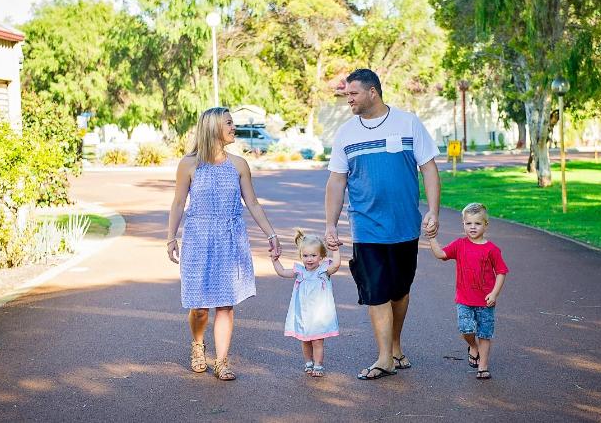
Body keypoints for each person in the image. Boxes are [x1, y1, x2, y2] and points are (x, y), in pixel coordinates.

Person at [324, 68, 441, 380]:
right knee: (376, 290)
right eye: (346, 94)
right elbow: (337, 181)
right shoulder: (346, 133)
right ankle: (384, 357)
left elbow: (429, 169)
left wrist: (433, 211)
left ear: (372, 92)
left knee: (400, 290)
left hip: (405, 225)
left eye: (353, 93)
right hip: (366, 225)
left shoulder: (408, 122)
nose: (348, 99)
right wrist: (331, 225)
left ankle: (395, 346)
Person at [167, 107, 281, 381]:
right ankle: (198, 346)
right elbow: (179, 203)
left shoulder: (239, 164)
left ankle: (221, 361)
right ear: (213, 128)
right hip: (198, 238)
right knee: (200, 305)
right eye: (229, 123)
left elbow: (251, 202)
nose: (234, 127)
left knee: (226, 304)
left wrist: (271, 234)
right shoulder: (189, 164)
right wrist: (171, 237)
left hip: (230, 239)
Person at [427, 203, 509, 380]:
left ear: (486, 225)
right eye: (469, 223)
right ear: (463, 224)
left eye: (477, 223)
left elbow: (501, 272)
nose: (473, 227)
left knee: (485, 334)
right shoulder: (459, 244)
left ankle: (483, 366)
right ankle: (473, 347)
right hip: (464, 299)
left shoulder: (492, 249)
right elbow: (441, 254)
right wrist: (432, 237)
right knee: (466, 329)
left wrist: (494, 294)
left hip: (485, 301)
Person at [271, 229, 341, 378]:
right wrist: (275, 260)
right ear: (301, 256)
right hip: (303, 314)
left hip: (319, 315)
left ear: (321, 256)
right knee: (305, 340)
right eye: (306, 255)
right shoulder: (300, 272)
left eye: (313, 255)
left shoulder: (323, 271)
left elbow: (336, 266)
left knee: (317, 340)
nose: (309, 259)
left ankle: (318, 364)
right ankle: (308, 362)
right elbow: (282, 272)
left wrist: (335, 251)